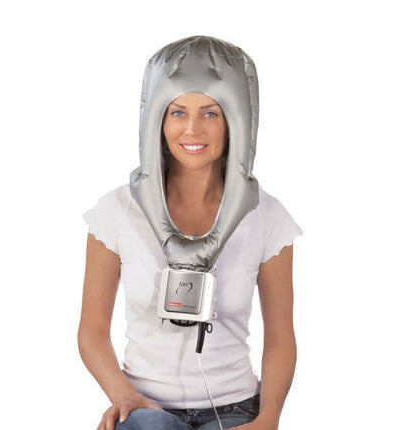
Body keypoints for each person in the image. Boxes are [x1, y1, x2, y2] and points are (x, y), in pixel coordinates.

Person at [78, 36, 303, 430]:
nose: (192, 129)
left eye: (211, 113)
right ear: (157, 120)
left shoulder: (267, 215)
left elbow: (281, 338)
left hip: (235, 408)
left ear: (236, 120)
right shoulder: (117, 210)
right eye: (178, 112)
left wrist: (268, 419)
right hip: (147, 408)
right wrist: (124, 395)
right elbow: (92, 331)